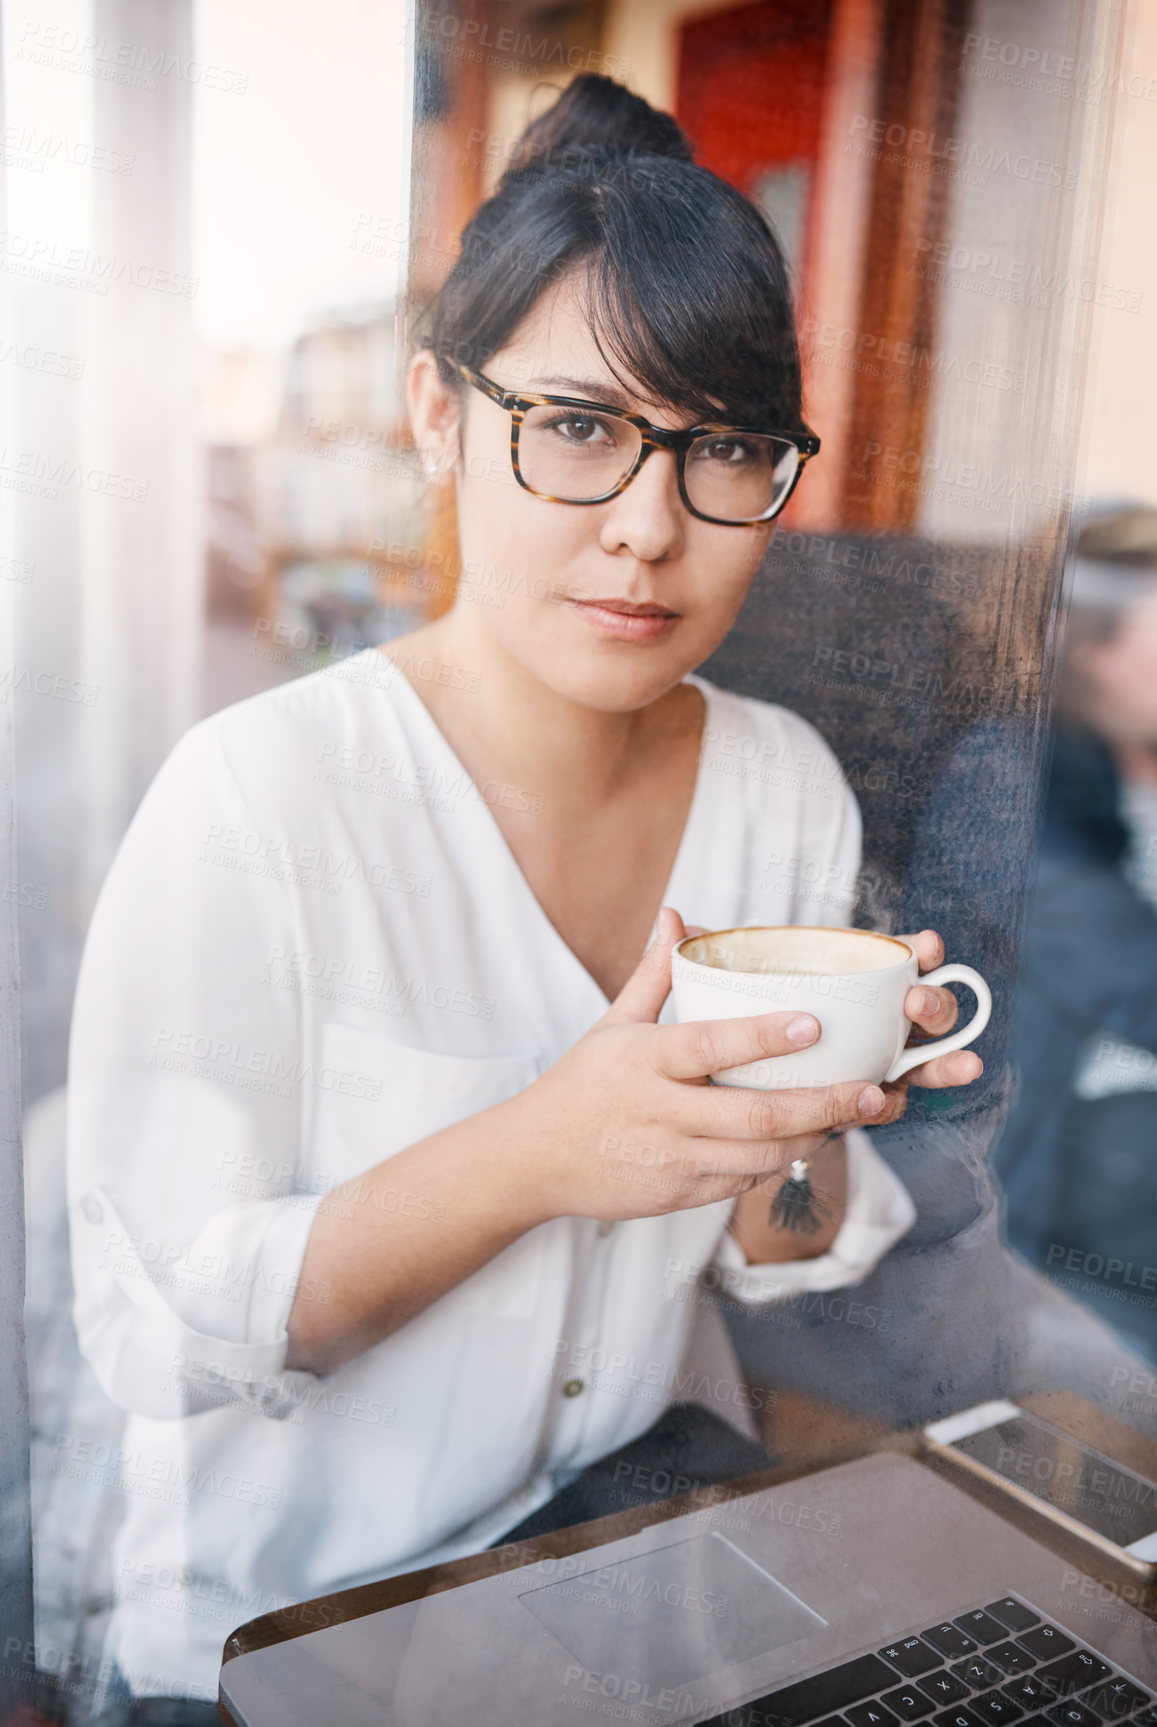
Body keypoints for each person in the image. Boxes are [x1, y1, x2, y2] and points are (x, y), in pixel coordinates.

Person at [67, 76, 981, 1720]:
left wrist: (819, 1102)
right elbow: (155, 1331)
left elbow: (781, 1249)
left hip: (612, 1559)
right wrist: (539, 1152)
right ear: (435, 415)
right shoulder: (261, 796)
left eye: (722, 450)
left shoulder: (779, 785)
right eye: (575, 427)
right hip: (294, 1624)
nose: (646, 529)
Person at [994, 511, 1157, 1363]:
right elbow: (1136, 980)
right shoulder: (1012, 772)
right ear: (1081, 643)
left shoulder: (1131, 754)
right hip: (1073, 1161)